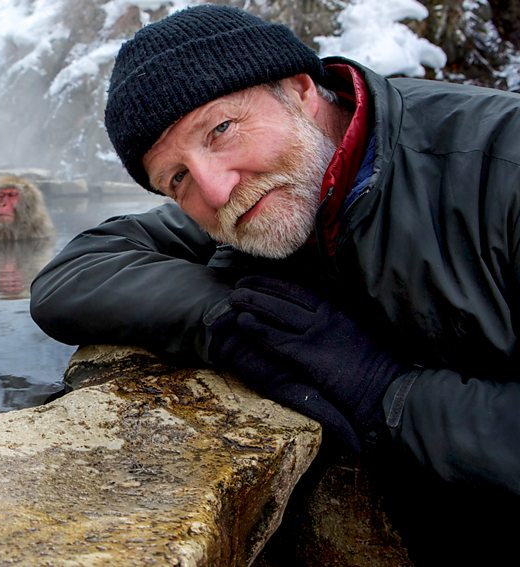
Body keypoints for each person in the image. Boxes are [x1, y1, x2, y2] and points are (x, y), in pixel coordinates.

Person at [29, 4, 520, 555]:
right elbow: (74, 272)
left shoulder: (499, 167)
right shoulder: (256, 200)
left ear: (301, 89)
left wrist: (382, 390)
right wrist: (235, 319)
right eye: (177, 178)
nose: (215, 190)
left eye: (220, 129)